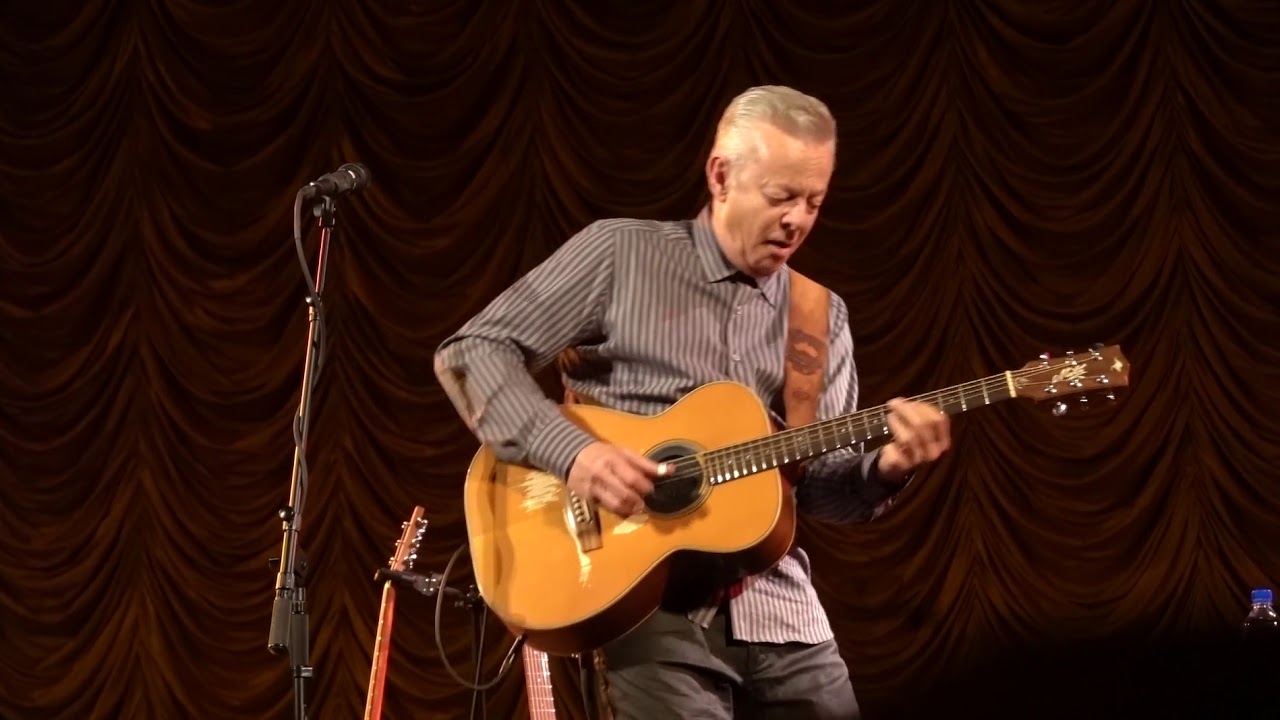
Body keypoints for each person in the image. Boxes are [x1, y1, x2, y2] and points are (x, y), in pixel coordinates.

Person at [434, 85, 953, 719]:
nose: (799, 219)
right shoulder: (620, 253)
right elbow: (472, 351)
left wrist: (887, 469)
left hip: (781, 612)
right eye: (781, 196)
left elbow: (815, 489)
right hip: (644, 605)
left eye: (815, 201)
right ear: (721, 175)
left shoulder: (821, 316)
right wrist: (576, 454)